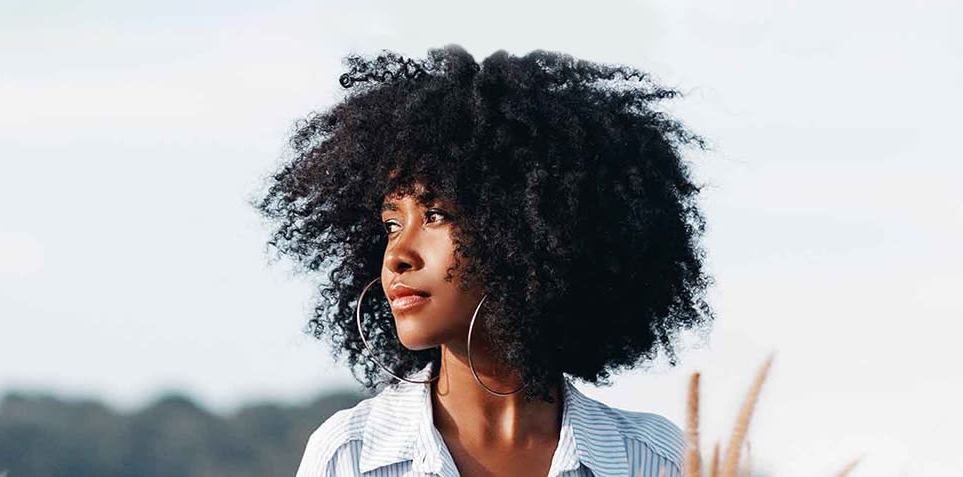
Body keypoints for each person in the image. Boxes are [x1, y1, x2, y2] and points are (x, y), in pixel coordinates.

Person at [257, 44, 713, 477]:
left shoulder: (655, 459)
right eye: (392, 225)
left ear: (529, 232)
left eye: (434, 216)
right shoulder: (350, 456)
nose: (397, 255)